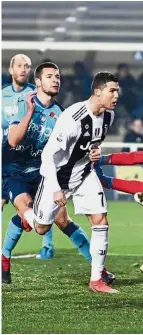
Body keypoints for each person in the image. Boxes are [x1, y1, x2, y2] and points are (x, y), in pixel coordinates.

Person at [1, 62, 114, 285]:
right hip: (14, 170)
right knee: (28, 211)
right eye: (50, 76)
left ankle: (98, 269)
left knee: (61, 220)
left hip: (44, 171)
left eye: (58, 76)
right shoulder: (23, 104)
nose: (56, 80)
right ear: (38, 82)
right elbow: (13, 141)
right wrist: (31, 112)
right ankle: (4, 257)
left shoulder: (62, 114)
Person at [1, 55, 54, 260]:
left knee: (40, 202)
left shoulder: (36, 94)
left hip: (30, 158)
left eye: (27, 67)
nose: (24, 70)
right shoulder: (3, 95)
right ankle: (4, 250)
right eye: (20, 66)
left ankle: (47, 246)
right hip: (7, 156)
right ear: (11, 69)